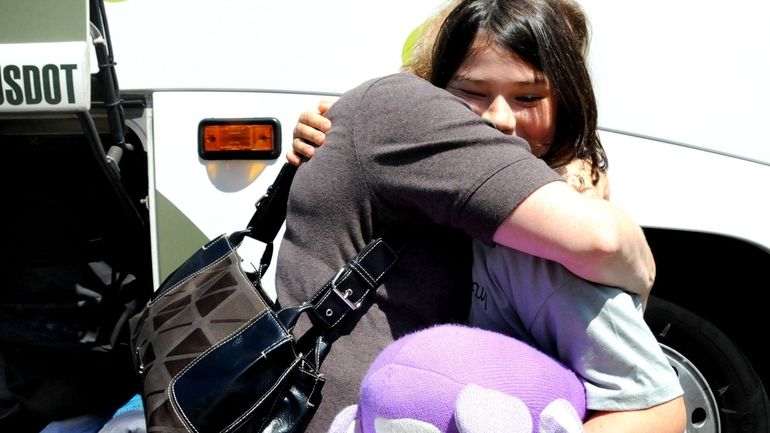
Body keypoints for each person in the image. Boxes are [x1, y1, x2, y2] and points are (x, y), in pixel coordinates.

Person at [277, 0, 670, 431]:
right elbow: (603, 241)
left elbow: (654, 403)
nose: (500, 118)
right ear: (435, 85)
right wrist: (640, 268)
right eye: (472, 92)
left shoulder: (537, 237)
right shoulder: (405, 117)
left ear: (566, 101)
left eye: (528, 96)